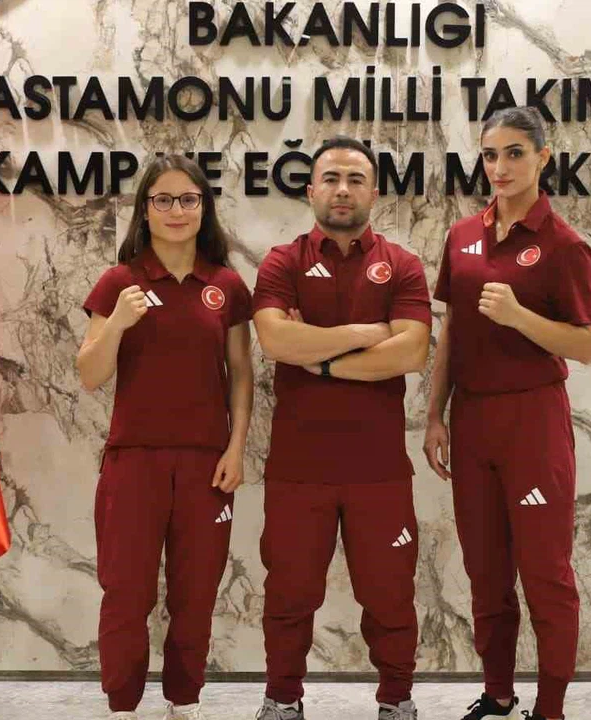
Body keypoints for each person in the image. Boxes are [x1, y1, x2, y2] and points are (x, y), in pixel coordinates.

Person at [423, 107, 591, 720]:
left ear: (543, 157)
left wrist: (520, 316)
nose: (500, 167)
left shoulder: (564, 245)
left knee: (545, 573)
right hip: (472, 420)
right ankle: (498, 692)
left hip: (533, 421)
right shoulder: (462, 236)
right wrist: (435, 415)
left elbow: (586, 345)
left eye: (515, 153)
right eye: (491, 154)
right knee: (485, 569)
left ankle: (550, 708)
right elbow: (451, 333)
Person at [250, 136, 432, 720]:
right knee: (288, 594)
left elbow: (412, 352)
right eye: (330, 178)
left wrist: (321, 358)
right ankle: (282, 701)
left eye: (355, 179)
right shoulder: (282, 262)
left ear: (374, 193)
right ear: (310, 191)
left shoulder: (402, 265)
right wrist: (366, 334)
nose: (342, 189)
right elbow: (276, 339)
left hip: (379, 471)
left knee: (390, 595)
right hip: (297, 469)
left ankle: (397, 701)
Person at [77, 154, 255, 720]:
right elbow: (89, 373)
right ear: (145, 210)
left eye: (188, 199)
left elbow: (241, 373)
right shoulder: (119, 282)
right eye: (163, 200)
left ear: (204, 208)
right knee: (126, 593)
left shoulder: (226, 285)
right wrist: (118, 323)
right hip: (134, 462)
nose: (176, 211)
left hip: (206, 465)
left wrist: (236, 447)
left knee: (195, 594)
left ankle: (185, 699)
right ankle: (122, 705)